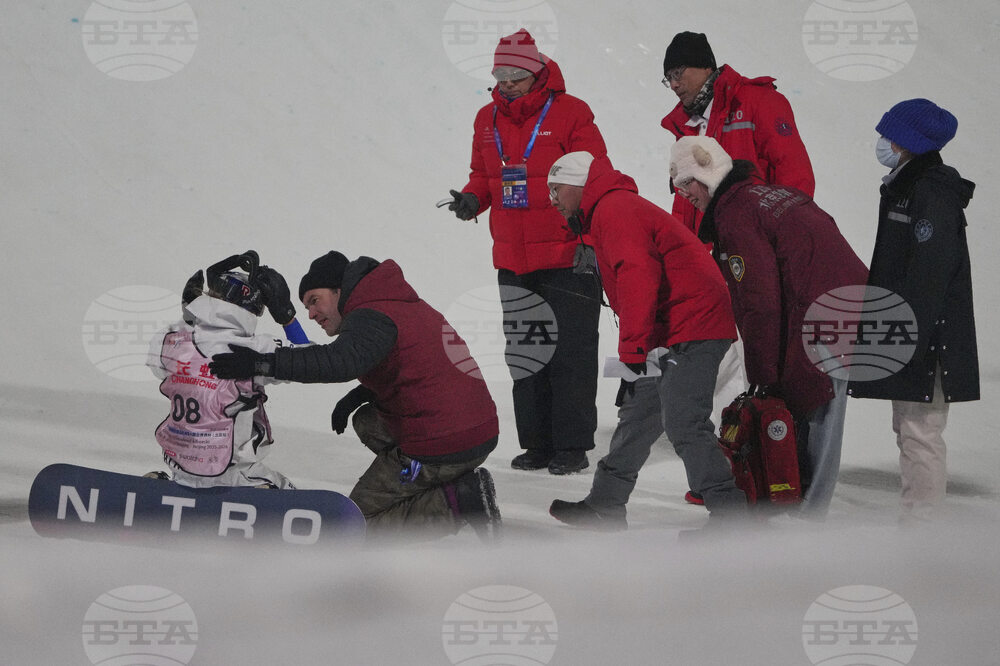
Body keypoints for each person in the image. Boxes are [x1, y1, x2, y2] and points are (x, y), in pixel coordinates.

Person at [209, 251, 502, 541]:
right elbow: (414, 365)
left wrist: (263, 362)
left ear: (339, 291)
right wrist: (356, 396)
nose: (311, 314)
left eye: (315, 301)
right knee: (366, 420)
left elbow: (338, 361)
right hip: (472, 425)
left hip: (449, 439)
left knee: (354, 525)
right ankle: (437, 478)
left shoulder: (371, 315)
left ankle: (459, 500)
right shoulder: (389, 301)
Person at [545, 151, 747, 530]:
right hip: (668, 327)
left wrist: (632, 351)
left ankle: (732, 515)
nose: (552, 200)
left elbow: (638, 277)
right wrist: (636, 352)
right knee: (638, 415)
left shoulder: (613, 208)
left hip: (693, 323)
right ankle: (605, 504)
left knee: (685, 421)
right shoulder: (606, 210)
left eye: (557, 189)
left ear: (579, 186)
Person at [669, 136, 869, 518]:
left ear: (707, 174)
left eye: (685, 183)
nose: (683, 195)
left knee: (817, 408)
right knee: (809, 406)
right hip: (844, 306)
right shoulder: (767, 195)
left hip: (824, 316)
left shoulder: (735, 214)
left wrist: (763, 376)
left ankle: (807, 516)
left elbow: (759, 302)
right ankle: (796, 505)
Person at [444, 28, 607, 475]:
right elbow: (482, 175)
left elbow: (596, 177)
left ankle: (572, 446)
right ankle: (537, 444)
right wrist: (472, 199)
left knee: (571, 354)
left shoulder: (572, 112)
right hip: (514, 260)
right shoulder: (485, 119)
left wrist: (590, 243)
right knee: (527, 354)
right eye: (500, 73)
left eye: (516, 73)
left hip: (567, 257)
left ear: (537, 72)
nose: (508, 81)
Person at [848, 99, 978, 523]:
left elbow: (931, 271)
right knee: (908, 429)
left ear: (907, 141)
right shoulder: (905, 186)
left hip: (927, 337)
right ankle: (916, 526)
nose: (882, 142)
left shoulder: (931, 191)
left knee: (921, 431)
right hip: (910, 331)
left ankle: (923, 534)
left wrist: (908, 338)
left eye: (889, 135)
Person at [146, 250, 307, 489]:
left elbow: (157, 366)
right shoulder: (257, 347)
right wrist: (286, 316)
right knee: (287, 491)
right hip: (237, 477)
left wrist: (190, 314)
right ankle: (264, 497)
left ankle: (165, 488)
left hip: (180, 468)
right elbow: (311, 361)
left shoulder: (170, 340)